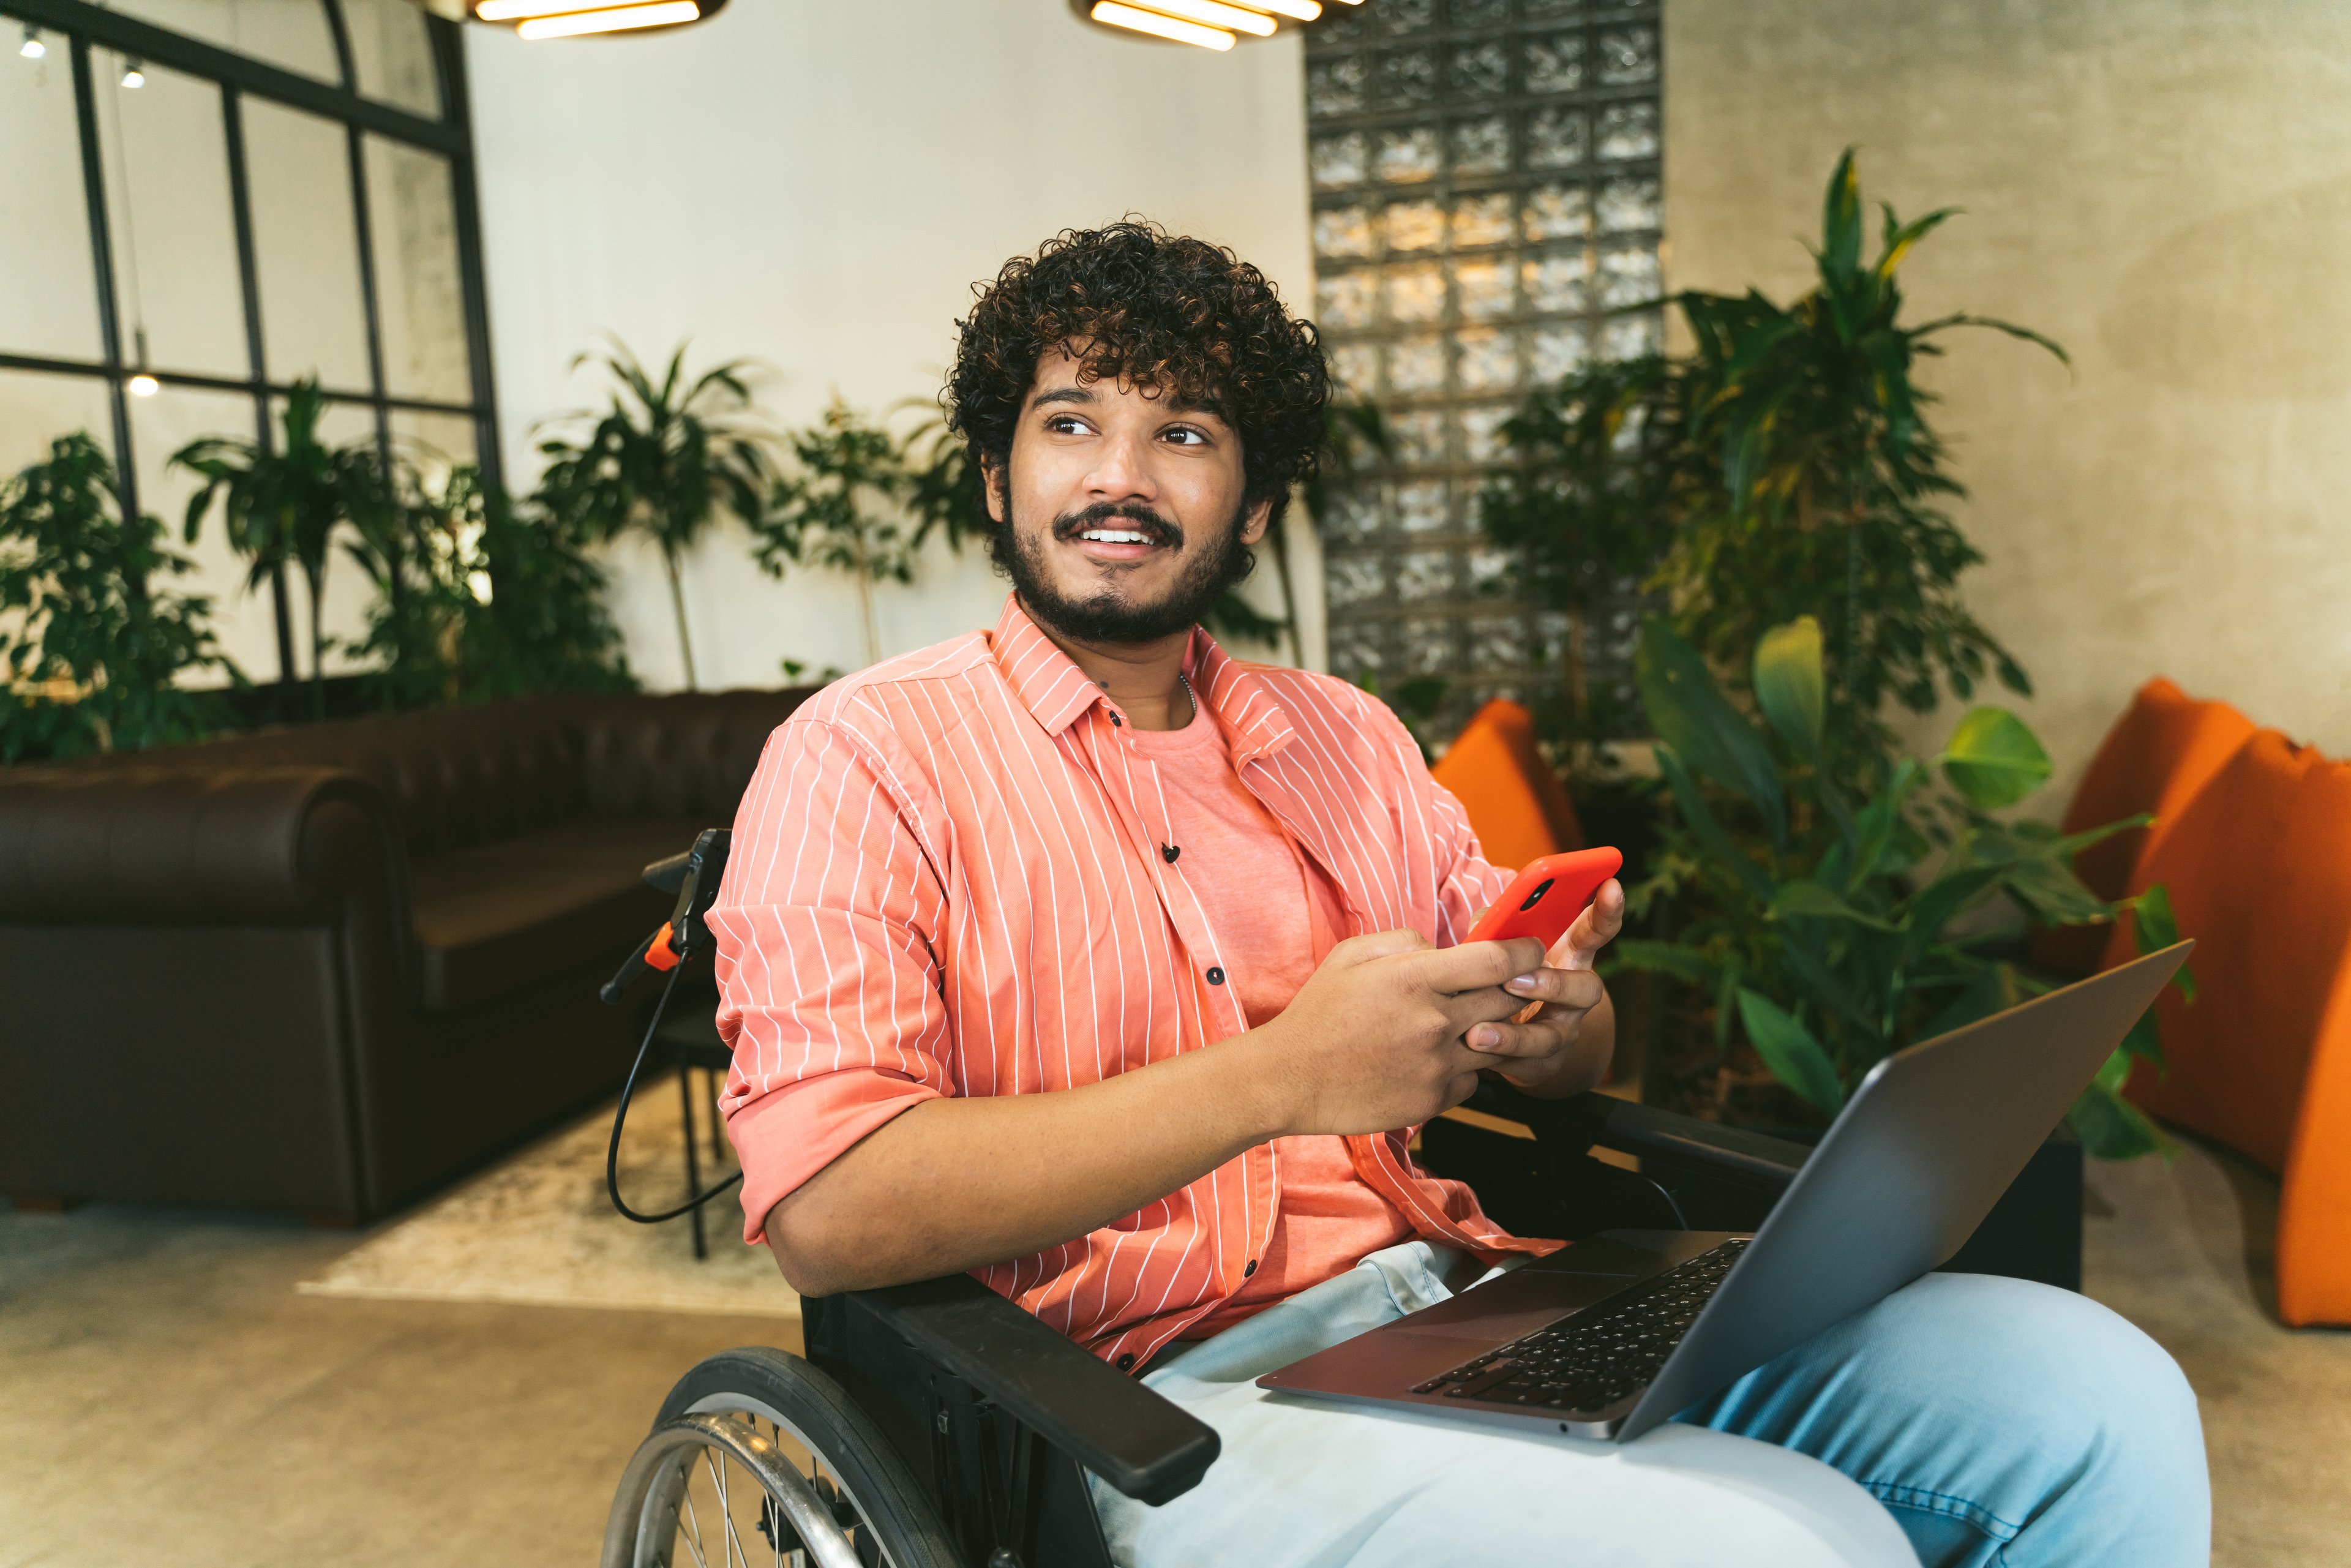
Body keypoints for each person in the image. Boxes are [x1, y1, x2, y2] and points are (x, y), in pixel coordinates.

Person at [709, 220, 2208, 1567]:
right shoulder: (864, 758)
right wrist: (1281, 1079)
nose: (1121, 474)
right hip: (1151, 1414)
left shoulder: (1347, 738)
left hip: (1465, 1303)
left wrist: (1553, 1017)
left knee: (2090, 1394)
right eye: (1071, 423)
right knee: (1794, 1547)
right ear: (998, 473)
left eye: (1185, 433)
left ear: (1255, 504)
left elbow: (1561, 1052)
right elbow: (829, 1210)